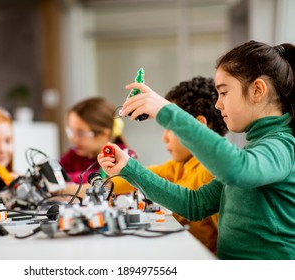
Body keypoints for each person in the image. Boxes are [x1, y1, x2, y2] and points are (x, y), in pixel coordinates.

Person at [98, 40, 295, 260]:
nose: (218, 105)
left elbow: (238, 168)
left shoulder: (282, 146)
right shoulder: (256, 149)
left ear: (257, 90)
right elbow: (194, 205)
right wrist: (129, 168)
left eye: (224, 93)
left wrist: (167, 111)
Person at [112, 76, 228, 254]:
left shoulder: (209, 173)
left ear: (197, 126)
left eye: (170, 128)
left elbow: (226, 244)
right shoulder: (181, 165)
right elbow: (134, 177)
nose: (164, 137)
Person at [59, 97, 134, 197]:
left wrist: (65, 184)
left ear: (104, 134)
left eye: (81, 133)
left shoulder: (123, 155)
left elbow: (108, 182)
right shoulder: (73, 155)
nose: (74, 139)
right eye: (71, 131)